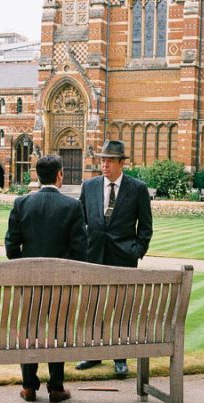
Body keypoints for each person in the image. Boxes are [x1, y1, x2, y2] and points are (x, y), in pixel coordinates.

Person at [4, 154, 87, 403]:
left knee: (30, 330)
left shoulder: (21, 203)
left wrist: (28, 267)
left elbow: (11, 247)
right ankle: (56, 386)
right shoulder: (71, 207)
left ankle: (29, 386)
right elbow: (81, 251)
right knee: (57, 331)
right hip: (61, 284)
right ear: (60, 174)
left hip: (29, 283)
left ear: (37, 175)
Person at [75, 140, 153, 378]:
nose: (104, 164)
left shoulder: (137, 188)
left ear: (121, 163)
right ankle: (94, 352)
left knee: (122, 307)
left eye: (109, 160)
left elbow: (146, 227)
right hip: (94, 254)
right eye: (102, 160)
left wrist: (136, 250)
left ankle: (120, 357)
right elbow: (80, 220)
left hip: (123, 256)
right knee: (93, 305)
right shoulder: (89, 186)